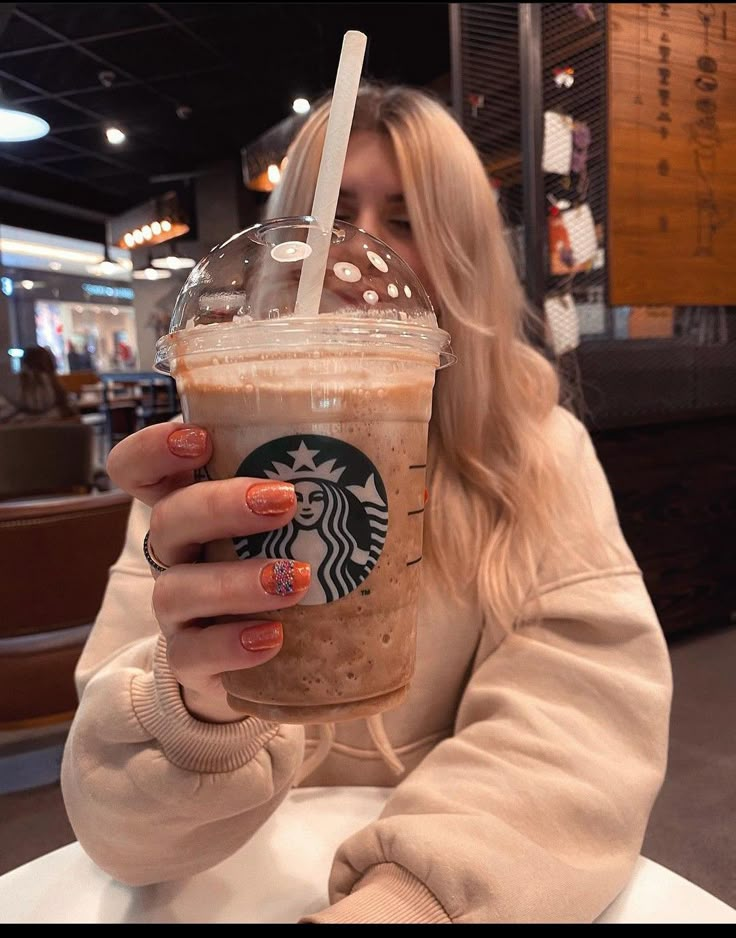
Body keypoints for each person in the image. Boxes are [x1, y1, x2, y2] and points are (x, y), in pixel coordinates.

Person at [60, 84, 672, 923]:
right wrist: (191, 705)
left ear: (463, 253)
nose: (353, 251)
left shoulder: (541, 454)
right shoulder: (206, 478)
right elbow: (121, 835)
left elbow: (578, 732)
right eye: (329, 213)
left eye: (408, 219)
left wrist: (408, 902)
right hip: (224, 888)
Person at [0, 345, 79, 424]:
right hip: (54, 434)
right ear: (51, 365)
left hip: (17, 434)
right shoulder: (59, 394)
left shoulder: (9, 389)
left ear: (24, 363)